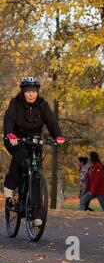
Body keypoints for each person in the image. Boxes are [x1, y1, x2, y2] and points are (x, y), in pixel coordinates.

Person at [3, 76, 65, 226]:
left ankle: (36, 214)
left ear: (37, 92)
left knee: (36, 171)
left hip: (34, 139)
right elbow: (9, 119)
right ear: (23, 92)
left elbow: (51, 122)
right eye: (28, 91)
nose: (31, 94)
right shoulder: (15, 103)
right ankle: (9, 186)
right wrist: (9, 133)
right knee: (22, 154)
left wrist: (58, 136)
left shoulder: (42, 105)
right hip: (15, 138)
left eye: (34, 91)